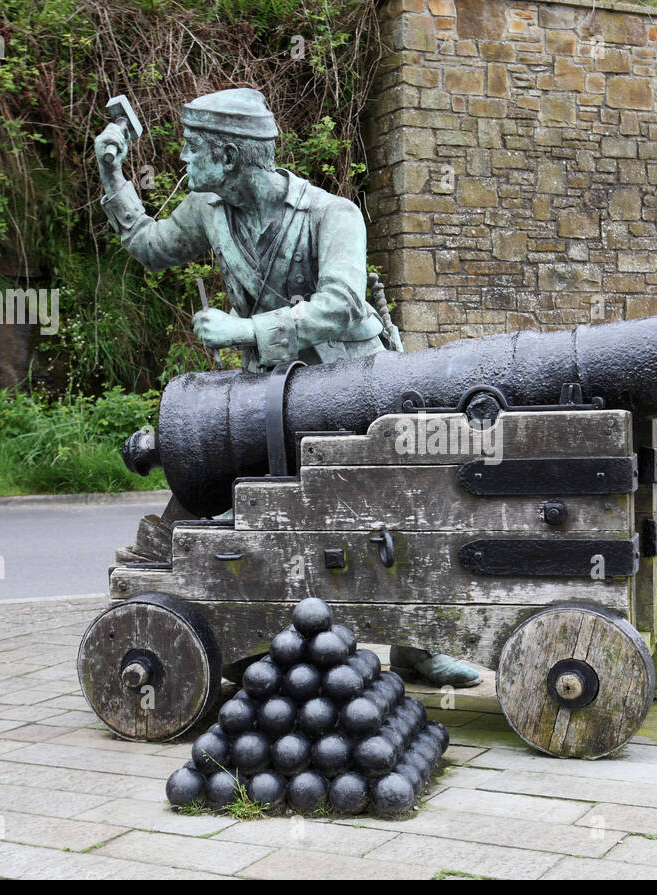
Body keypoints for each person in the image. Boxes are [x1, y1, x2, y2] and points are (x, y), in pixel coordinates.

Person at [94, 88, 481, 688]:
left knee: (400, 507)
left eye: (193, 150)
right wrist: (111, 174)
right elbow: (150, 247)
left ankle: (416, 645)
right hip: (267, 395)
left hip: (350, 383)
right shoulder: (209, 210)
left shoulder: (332, 215)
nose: (183, 162)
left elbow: (343, 301)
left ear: (229, 156)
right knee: (236, 502)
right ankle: (220, 617)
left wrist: (246, 328)